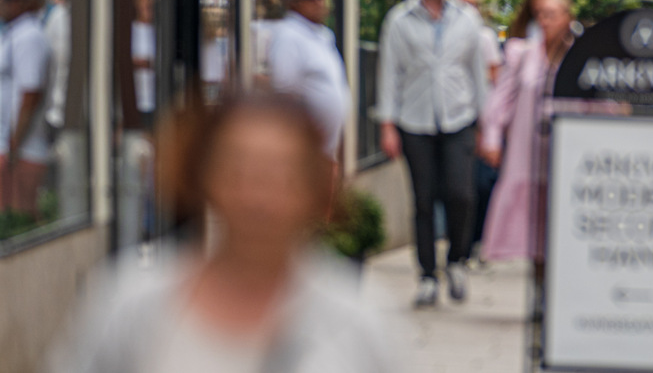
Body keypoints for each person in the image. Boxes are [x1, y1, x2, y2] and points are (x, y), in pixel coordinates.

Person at [51, 96, 400, 373]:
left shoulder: (356, 325)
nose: (258, 197)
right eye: (239, 172)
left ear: (315, 191)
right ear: (203, 177)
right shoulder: (131, 306)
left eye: (282, 176)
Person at [375, 0, 489, 308]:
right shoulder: (400, 20)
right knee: (423, 200)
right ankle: (427, 275)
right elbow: (389, 74)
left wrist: (485, 124)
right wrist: (388, 125)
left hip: (458, 117)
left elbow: (477, 73)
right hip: (415, 119)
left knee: (461, 194)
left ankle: (455, 260)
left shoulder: (466, 19)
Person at [477, 0, 578, 264]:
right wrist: (492, 138)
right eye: (540, 14)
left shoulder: (578, 57)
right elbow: (500, 99)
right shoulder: (521, 53)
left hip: (564, 151)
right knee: (533, 239)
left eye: (551, 14)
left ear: (567, 17)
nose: (545, 21)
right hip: (527, 151)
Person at [260, 0, 348, 160]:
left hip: (326, 151)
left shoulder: (323, 35)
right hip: (304, 154)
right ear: (293, 2)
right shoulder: (288, 37)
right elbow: (283, 96)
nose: (319, 2)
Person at [1, 0, 52, 214]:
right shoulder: (14, 33)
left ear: (30, 1)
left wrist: (14, 144)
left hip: (22, 149)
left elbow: (31, 95)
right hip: (12, 146)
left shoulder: (29, 36)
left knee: (19, 217)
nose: (4, 1)